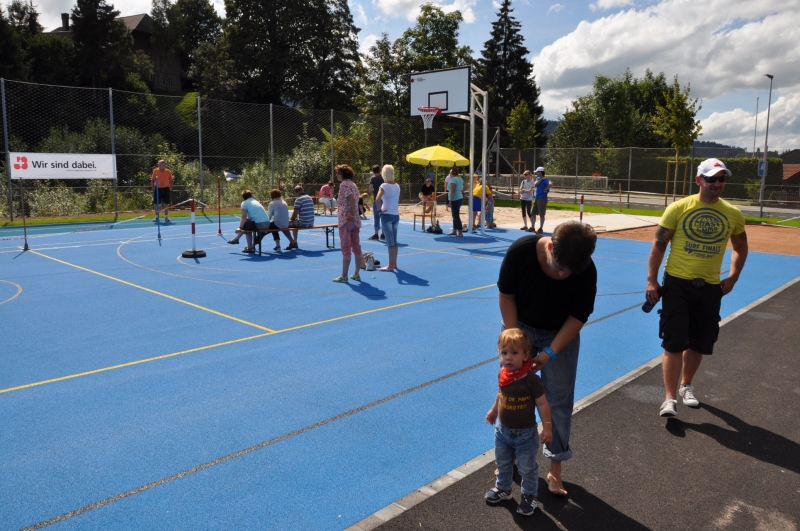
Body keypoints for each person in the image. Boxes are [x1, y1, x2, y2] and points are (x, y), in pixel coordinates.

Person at [497, 221, 598, 497]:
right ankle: (509, 456)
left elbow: (578, 316)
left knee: (559, 401)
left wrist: (551, 352)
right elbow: (506, 296)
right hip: (521, 326)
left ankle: (556, 467)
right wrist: (516, 341)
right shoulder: (521, 252)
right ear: (550, 246)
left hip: (560, 332)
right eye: (558, 267)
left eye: (569, 271)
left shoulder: (585, 269)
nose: (562, 274)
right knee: (513, 392)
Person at [646, 158, 748, 418]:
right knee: (673, 342)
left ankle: (686, 385)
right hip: (677, 284)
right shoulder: (679, 208)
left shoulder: (733, 214)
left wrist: (733, 277)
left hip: (710, 287)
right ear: (699, 180)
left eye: (721, 179)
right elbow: (659, 245)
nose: (717, 183)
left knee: (700, 342)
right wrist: (652, 279)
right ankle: (669, 398)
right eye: (712, 178)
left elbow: (740, 247)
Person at [484, 328, 553, 516]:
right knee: (503, 462)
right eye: (504, 352)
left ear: (525, 355)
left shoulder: (531, 380)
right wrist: (494, 410)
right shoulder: (502, 373)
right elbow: (501, 394)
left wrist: (547, 427)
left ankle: (529, 495)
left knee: (527, 468)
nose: (508, 357)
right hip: (502, 431)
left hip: (525, 435)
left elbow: (542, 404)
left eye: (514, 353)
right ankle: (503, 488)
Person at [333, 164, 363, 283]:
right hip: (355, 220)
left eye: (338, 173)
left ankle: (344, 275)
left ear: (343, 174)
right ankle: (356, 273)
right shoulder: (353, 184)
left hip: (346, 220)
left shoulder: (344, 185)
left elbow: (352, 200)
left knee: (346, 247)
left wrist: (350, 215)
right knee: (356, 247)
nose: (337, 175)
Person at [375, 165, 401, 272]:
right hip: (396, 215)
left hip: (386, 215)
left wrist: (379, 211)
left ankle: (390, 265)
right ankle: (394, 263)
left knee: (390, 242)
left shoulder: (384, 185)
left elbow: (377, 199)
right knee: (394, 240)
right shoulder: (397, 186)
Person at [531, 167, 551, 233]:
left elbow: (550, 184)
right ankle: (532, 227)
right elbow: (535, 184)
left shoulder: (546, 179)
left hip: (542, 198)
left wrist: (546, 189)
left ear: (540, 172)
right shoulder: (538, 178)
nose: (536, 173)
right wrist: (541, 179)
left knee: (541, 214)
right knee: (533, 213)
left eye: (537, 172)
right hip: (537, 197)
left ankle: (541, 228)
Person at [367, 164, 385, 240]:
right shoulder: (384, 178)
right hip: (384, 199)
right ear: (380, 170)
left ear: (373, 171)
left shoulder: (373, 179)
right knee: (383, 216)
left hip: (376, 198)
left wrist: (373, 190)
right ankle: (383, 233)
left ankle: (376, 233)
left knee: (376, 216)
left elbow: (370, 190)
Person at [447, 168, 464, 237]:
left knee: (456, 216)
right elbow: (467, 186)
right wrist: (460, 191)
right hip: (459, 198)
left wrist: (450, 200)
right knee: (454, 215)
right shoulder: (460, 179)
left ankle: (460, 231)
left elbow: (453, 190)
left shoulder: (454, 179)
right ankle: (455, 230)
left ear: (452, 173)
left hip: (455, 199)